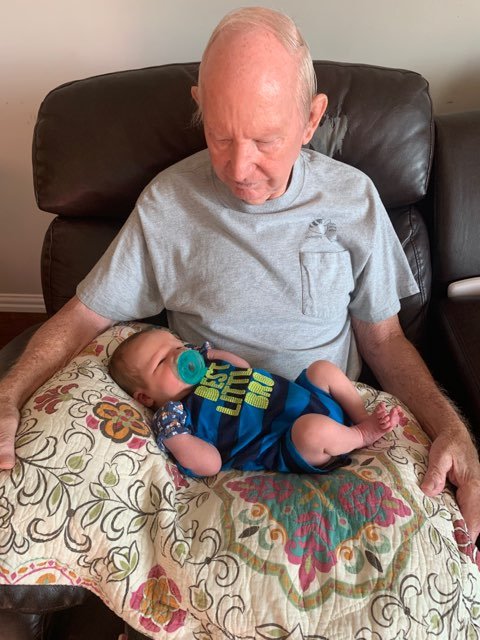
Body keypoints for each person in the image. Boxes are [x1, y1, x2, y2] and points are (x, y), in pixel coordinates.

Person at [0, 7, 479, 542]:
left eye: (265, 140)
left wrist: (451, 430)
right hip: (221, 445)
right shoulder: (168, 203)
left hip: (329, 431)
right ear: (199, 106)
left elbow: (385, 341)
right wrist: (9, 394)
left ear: (311, 119)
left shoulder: (354, 199)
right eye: (220, 136)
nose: (239, 168)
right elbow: (84, 316)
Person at [108, 327, 404, 477]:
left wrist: (212, 355)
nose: (179, 356)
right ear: (145, 397)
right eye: (162, 360)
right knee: (311, 430)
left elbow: (244, 368)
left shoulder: (211, 368)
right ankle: (360, 435)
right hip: (292, 442)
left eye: (178, 346)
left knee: (321, 368)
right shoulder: (182, 417)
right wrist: (175, 436)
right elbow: (211, 464)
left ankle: (360, 416)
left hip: (305, 399)